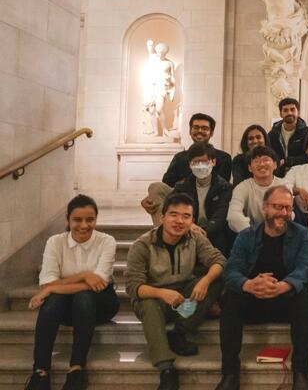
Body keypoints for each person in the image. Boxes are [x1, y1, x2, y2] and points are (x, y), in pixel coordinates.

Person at [216, 185, 308, 390]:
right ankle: (230, 374)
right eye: (278, 207)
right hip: (254, 300)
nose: (283, 213)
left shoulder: (301, 233)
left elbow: (306, 267)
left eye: (287, 208)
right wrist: (248, 284)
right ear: (264, 208)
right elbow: (231, 270)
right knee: (231, 298)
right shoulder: (247, 235)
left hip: (284, 301)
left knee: (303, 298)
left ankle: (302, 372)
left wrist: (284, 285)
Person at [126, 193, 226, 390]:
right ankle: (166, 368)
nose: (179, 221)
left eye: (186, 216)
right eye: (174, 215)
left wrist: (204, 281)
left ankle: (179, 332)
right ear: (162, 218)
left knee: (216, 280)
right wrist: (162, 293)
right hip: (155, 301)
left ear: (192, 220)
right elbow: (133, 287)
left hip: (183, 301)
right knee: (147, 303)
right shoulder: (142, 244)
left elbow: (219, 261)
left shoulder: (195, 237)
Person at [25, 195, 119, 390]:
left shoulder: (107, 241)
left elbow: (100, 283)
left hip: (101, 304)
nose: (84, 225)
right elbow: (47, 283)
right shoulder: (55, 242)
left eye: (90, 219)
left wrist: (53, 287)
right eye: (77, 220)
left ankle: (76, 368)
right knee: (55, 299)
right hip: (64, 308)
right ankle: (40, 371)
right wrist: (84, 275)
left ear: (96, 219)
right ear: (68, 219)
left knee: (83, 297)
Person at [141, 113, 233, 224]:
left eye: (204, 128)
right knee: (155, 188)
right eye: (195, 127)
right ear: (190, 131)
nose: (199, 131)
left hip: (209, 201)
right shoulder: (180, 157)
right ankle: (164, 232)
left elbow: (220, 187)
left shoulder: (223, 158)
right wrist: (151, 199)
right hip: (181, 198)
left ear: (211, 132)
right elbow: (167, 185)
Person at [167, 142, 236, 256]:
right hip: (188, 229)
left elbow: (221, 215)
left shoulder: (225, 187)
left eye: (204, 162)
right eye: (195, 162)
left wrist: (202, 231)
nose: (200, 165)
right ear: (190, 164)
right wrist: (191, 227)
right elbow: (172, 208)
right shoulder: (182, 186)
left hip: (213, 232)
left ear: (213, 162)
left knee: (221, 237)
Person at [227, 146, 290, 234]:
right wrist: (254, 234)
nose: (261, 164)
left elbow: (286, 215)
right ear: (250, 168)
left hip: (279, 232)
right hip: (250, 234)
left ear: (275, 165)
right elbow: (233, 216)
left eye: (266, 160)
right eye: (256, 161)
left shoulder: (284, 186)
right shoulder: (242, 187)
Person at [268, 98, 308, 177]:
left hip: (300, 175)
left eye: (292, 109)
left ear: (298, 112)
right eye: (285, 110)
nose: (289, 113)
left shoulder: (306, 132)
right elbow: (269, 154)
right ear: (281, 114)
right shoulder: (273, 133)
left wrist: (287, 162)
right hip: (277, 176)